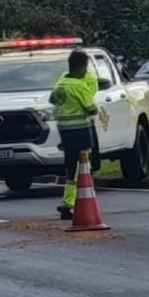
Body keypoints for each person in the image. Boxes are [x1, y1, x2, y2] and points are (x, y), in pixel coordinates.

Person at [49, 49, 99, 221]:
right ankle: (80, 202)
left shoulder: (60, 84)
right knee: (83, 167)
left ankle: (68, 202)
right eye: (85, 67)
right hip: (81, 131)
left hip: (65, 131)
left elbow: (52, 100)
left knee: (70, 168)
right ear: (82, 67)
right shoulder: (80, 86)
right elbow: (92, 109)